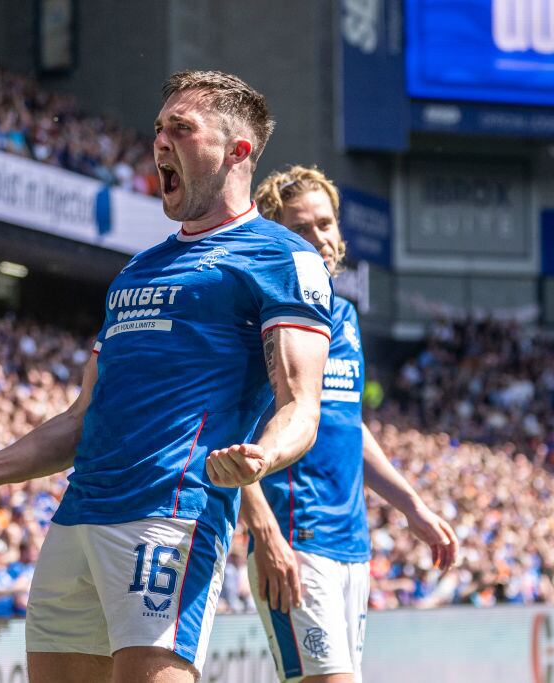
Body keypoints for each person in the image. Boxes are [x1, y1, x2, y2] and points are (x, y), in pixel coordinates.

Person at [0, 70, 334, 683]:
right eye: (159, 129)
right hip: (79, 515)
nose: (160, 142)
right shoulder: (138, 269)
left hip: (170, 513)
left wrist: (261, 457)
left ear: (238, 151)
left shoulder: (281, 257)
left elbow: (301, 406)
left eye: (181, 129)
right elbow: (83, 418)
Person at [245, 165, 460, 683]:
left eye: (325, 223)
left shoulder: (343, 315)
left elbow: (347, 427)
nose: (319, 238)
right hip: (295, 541)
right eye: (301, 228)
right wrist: (265, 532)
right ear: (276, 237)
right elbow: (230, 433)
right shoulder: (260, 315)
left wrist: (413, 507)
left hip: (353, 548)